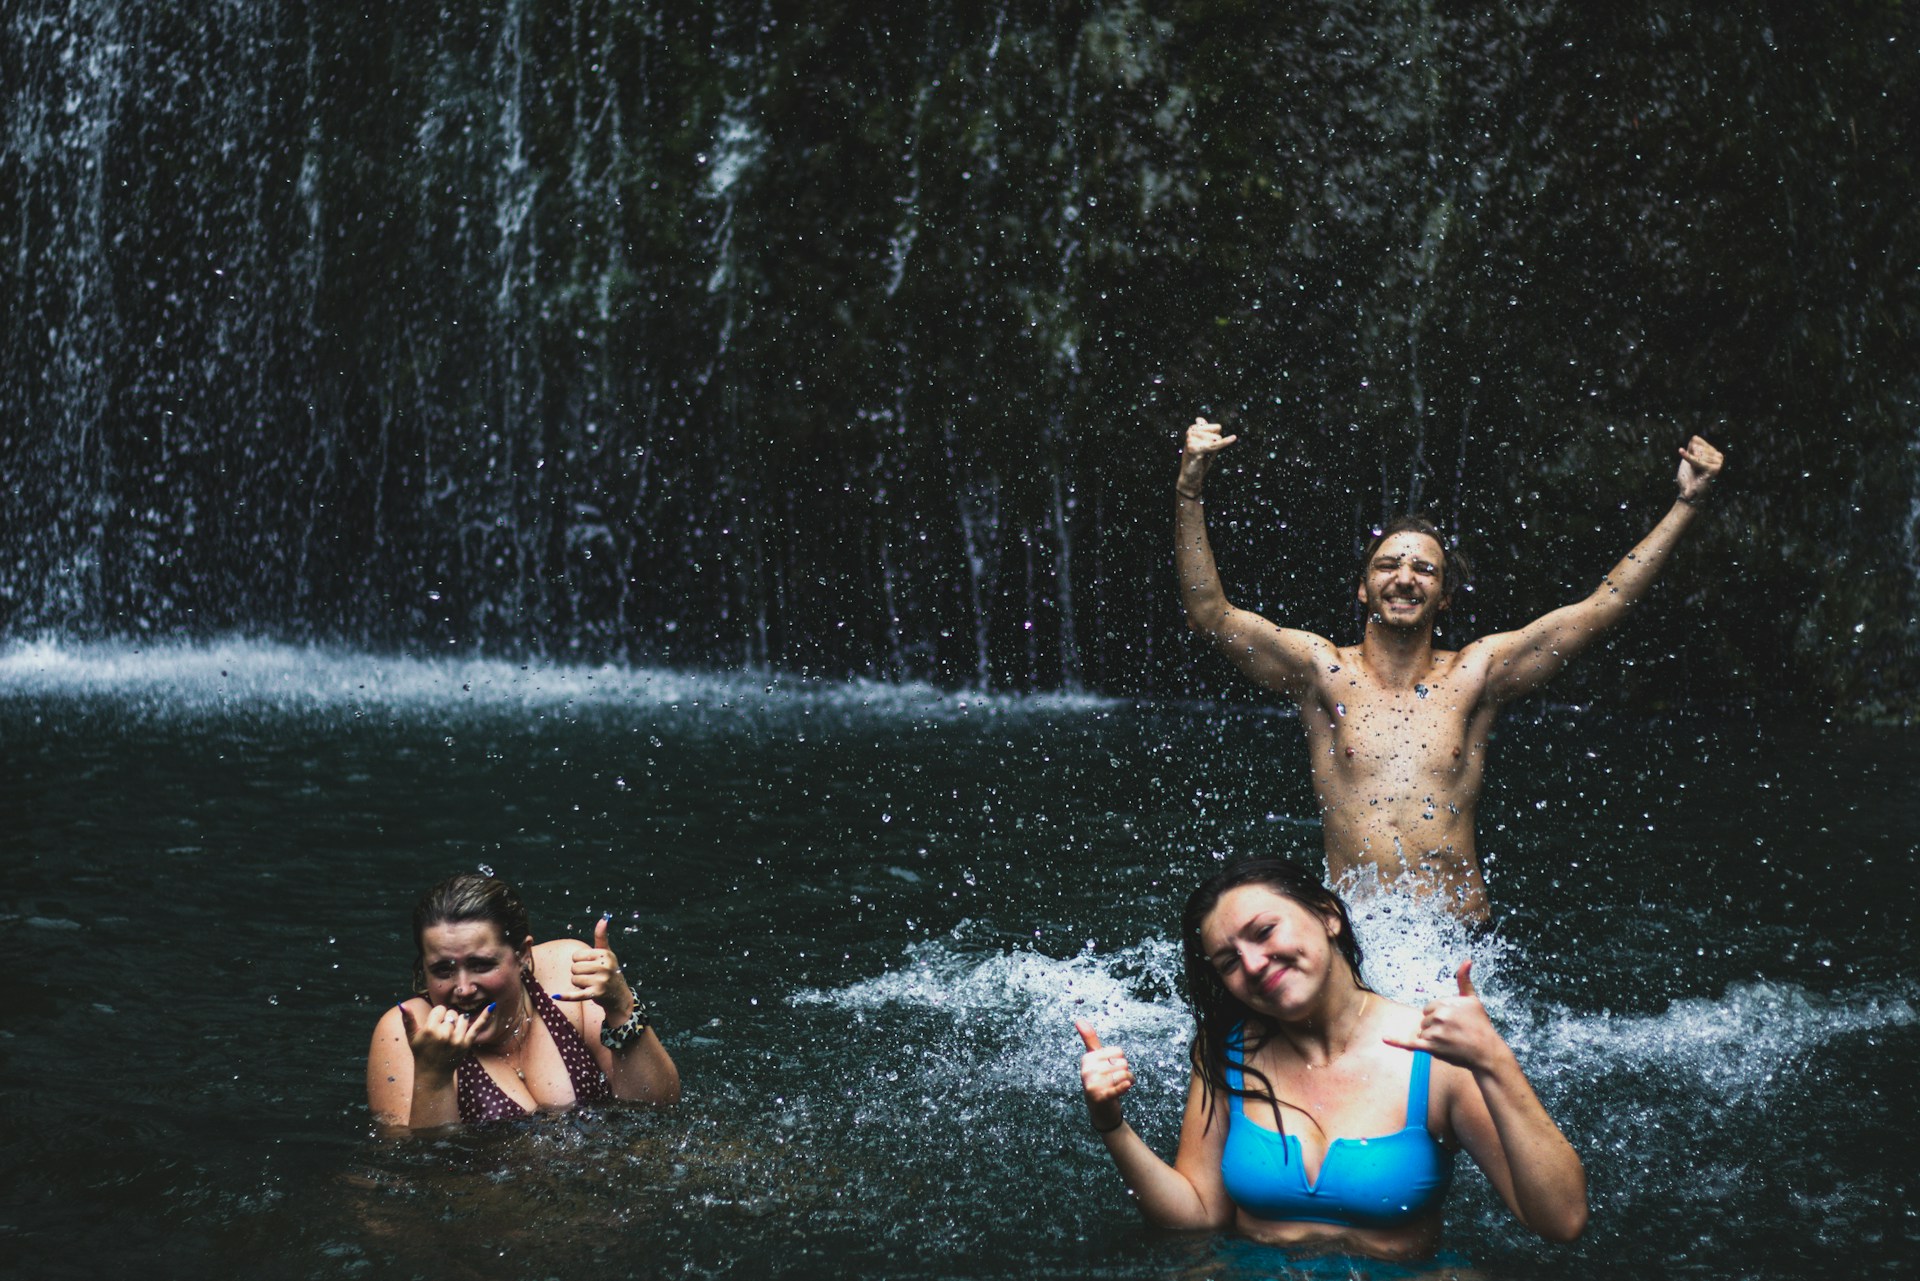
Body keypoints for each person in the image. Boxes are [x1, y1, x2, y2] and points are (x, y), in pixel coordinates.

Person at [1174, 417, 1725, 921]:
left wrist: (1687, 506)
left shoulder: (1477, 673)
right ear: (1364, 591)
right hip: (1361, 934)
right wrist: (1190, 489)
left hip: (1459, 933)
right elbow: (1210, 614)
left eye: (1424, 569)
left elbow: (1603, 606)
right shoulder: (1322, 671)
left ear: (1444, 598)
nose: (1405, 577)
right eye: (1388, 565)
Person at [1074, 858, 1585, 1260]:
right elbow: (1198, 1216)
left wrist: (1493, 1060)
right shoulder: (1227, 1051)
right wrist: (1111, 1124)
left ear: (1328, 915)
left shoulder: (1435, 1051)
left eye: (1265, 931)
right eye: (1229, 961)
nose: (1252, 964)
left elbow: (1561, 1221)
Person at [366, 873, 680, 1128]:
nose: (462, 988)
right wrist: (433, 1077)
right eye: (442, 970)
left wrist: (622, 1007)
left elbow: (655, 1112)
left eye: (481, 965)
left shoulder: (566, 973)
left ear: (523, 955)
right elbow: (421, 1175)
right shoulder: (406, 1032)